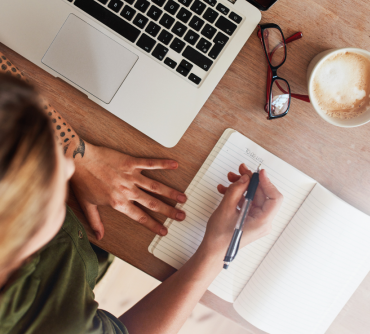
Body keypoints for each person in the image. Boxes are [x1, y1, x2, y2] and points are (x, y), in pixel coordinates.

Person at [0, 52, 283, 334]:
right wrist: (214, 252)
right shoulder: (53, 324)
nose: (67, 167)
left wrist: (77, 151)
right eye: (51, 178)